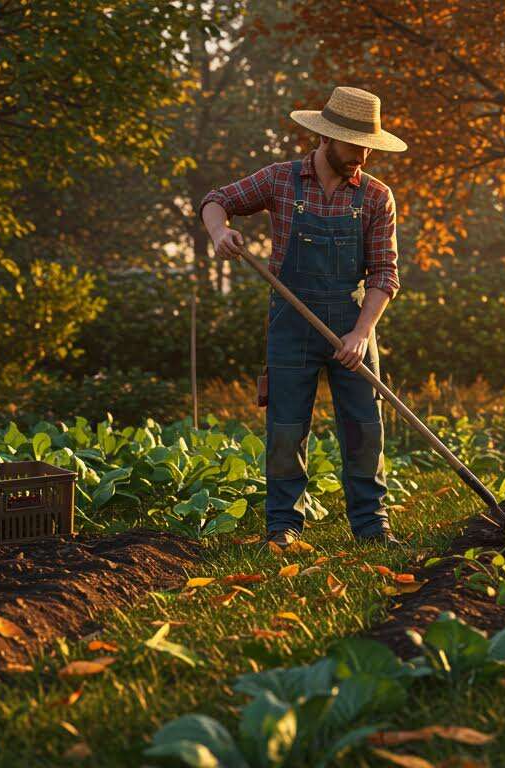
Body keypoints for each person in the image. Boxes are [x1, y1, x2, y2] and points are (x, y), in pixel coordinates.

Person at [199, 86, 407, 549]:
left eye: (368, 146)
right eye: (355, 146)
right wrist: (219, 231)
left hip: (352, 323)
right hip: (291, 323)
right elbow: (216, 199)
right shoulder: (279, 180)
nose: (363, 156)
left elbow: (385, 273)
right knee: (286, 428)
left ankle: (372, 527)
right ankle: (284, 527)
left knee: (364, 427)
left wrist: (359, 333)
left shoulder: (375, 197)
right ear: (327, 139)